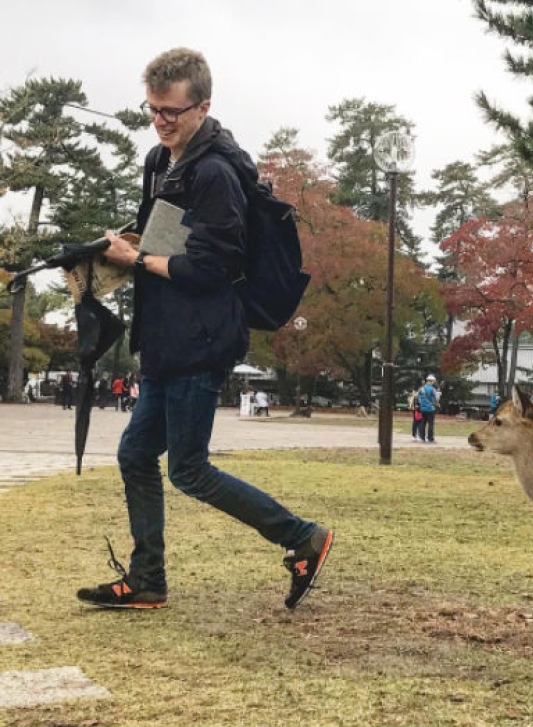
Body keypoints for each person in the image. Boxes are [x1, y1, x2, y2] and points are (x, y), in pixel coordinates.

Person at [76, 48, 333, 611]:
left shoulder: (216, 173)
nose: (161, 122)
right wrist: (115, 254)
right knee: (135, 455)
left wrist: (135, 261)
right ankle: (147, 580)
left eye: (172, 111)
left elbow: (212, 268)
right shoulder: (159, 161)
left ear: (202, 106)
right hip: (167, 337)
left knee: (188, 470)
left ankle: (303, 537)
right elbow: (161, 240)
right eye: (153, 110)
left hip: (204, 337)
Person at [417, 374, 439, 443]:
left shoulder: (421, 389)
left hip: (423, 409)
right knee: (430, 424)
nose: (433, 383)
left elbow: (418, 399)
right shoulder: (433, 389)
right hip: (430, 409)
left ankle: (422, 438)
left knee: (422, 423)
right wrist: (439, 395)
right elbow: (436, 399)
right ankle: (430, 438)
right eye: (433, 381)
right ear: (432, 381)